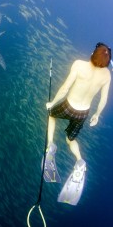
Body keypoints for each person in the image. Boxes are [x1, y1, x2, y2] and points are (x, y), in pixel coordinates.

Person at [43, 42, 112, 205]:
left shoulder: (79, 65)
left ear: (92, 54)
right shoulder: (107, 76)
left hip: (68, 106)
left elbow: (65, 88)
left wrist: (52, 103)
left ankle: (51, 147)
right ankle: (80, 161)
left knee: (51, 116)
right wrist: (97, 115)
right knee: (71, 139)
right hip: (83, 112)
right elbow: (104, 99)